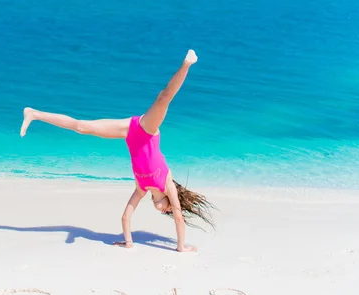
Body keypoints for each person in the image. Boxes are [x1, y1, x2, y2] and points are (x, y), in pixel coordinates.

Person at [19, 49, 215, 253]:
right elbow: (178, 217)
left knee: (81, 127)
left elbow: (126, 216)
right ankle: (187, 63)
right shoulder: (167, 183)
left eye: (164, 211)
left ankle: (34, 114)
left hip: (130, 132)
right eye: (167, 209)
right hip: (146, 129)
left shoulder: (142, 187)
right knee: (163, 99)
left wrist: (128, 242)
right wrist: (181, 247)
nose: (165, 211)